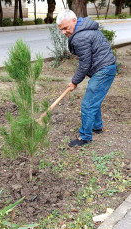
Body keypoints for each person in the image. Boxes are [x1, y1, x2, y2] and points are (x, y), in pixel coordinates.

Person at [56, 9, 116, 147]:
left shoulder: (80, 37)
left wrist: (74, 81)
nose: (63, 32)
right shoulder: (85, 28)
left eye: (65, 28)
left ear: (74, 20)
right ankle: (97, 127)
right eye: (61, 30)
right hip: (106, 68)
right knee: (94, 100)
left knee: (88, 104)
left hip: (103, 70)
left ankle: (85, 137)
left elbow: (84, 65)